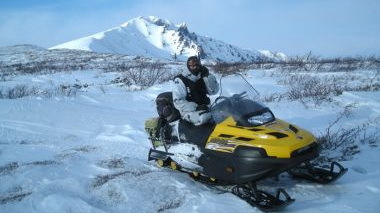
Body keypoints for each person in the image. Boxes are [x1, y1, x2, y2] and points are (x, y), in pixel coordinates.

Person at [172, 56, 219, 126]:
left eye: (197, 65)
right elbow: (177, 101)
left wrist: (208, 77)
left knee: (223, 114)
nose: (195, 68)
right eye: (192, 66)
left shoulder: (202, 76)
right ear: (188, 66)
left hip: (206, 108)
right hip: (189, 111)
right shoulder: (180, 80)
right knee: (207, 120)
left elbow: (214, 91)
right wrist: (196, 107)